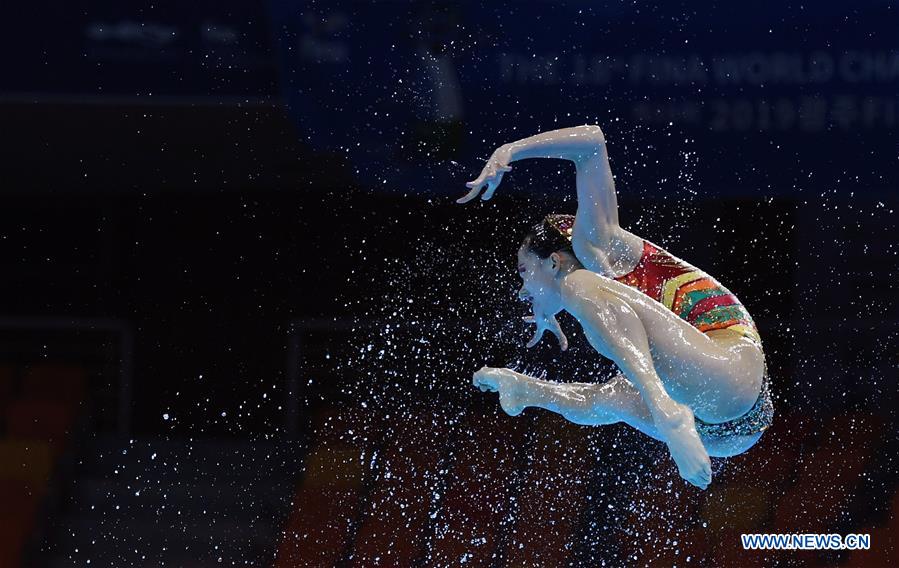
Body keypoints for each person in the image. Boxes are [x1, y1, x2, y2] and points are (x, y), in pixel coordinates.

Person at [458, 125, 773, 489]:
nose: (522, 290)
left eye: (525, 272)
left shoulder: (596, 246)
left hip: (730, 378)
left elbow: (592, 142)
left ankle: (668, 414)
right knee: (613, 396)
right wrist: (549, 310)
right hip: (727, 431)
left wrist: (510, 150)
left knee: (579, 288)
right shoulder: (599, 293)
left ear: (554, 261)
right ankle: (527, 390)